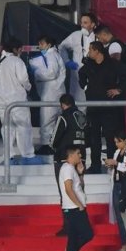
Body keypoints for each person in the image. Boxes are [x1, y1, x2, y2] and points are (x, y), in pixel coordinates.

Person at [0, 38, 42, 165]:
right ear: (15, 49)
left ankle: (8, 157)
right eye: (20, 49)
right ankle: (28, 155)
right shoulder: (16, 61)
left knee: (7, 128)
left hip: (0, 101)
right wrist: (29, 88)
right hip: (16, 100)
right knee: (23, 126)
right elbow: (23, 79)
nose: (21, 51)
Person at [79, 41, 125, 174]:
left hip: (108, 107)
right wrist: (85, 86)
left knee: (110, 137)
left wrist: (119, 89)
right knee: (94, 138)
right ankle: (95, 165)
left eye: (90, 49)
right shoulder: (89, 65)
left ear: (97, 51)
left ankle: (111, 164)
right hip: (93, 106)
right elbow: (81, 74)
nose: (89, 52)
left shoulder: (112, 64)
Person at [49, 94, 86, 236]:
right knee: (79, 191)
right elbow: (87, 137)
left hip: (65, 159)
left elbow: (53, 140)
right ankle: (81, 224)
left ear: (62, 104)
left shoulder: (64, 116)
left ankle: (69, 226)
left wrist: (56, 148)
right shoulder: (82, 115)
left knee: (66, 193)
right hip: (80, 158)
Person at [59, 145, 93, 251]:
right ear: (71, 155)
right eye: (78, 154)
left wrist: (80, 173)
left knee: (74, 237)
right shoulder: (67, 169)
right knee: (87, 234)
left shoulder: (71, 169)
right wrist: (79, 204)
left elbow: (79, 187)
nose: (80, 156)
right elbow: (68, 189)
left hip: (75, 207)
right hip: (73, 208)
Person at [30, 35, 66, 155]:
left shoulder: (51, 55)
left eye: (42, 44)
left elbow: (51, 73)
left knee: (47, 119)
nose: (39, 46)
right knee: (53, 120)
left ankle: (47, 145)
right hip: (54, 92)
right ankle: (53, 144)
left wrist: (35, 73)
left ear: (49, 44)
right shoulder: (52, 55)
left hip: (51, 93)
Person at [103, 131, 126, 251]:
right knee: (119, 217)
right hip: (116, 185)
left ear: (125, 141)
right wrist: (111, 166)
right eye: (115, 142)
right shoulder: (117, 153)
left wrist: (116, 164)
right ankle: (124, 245)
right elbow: (117, 168)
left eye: (118, 141)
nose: (116, 144)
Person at [59, 12, 97, 110]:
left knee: (95, 103)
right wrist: (67, 61)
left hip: (95, 72)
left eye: (85, 22)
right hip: (78, 73)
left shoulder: (98, 36)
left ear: (92, 24)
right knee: (79, 102)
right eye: (81, 22)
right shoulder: (76, 35)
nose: (82, 25)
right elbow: (61, 47)